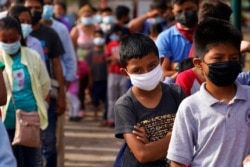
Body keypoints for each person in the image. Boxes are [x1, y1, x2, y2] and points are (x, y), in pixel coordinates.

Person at [167, 18, 250, 167]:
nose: (227, 63)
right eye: (218, 58)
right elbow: (178, 161)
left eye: (234, 58)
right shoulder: (190, 107)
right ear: (199, 64)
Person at [114, 33, 186, 166]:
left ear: (161, 62)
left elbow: (193, 138)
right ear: (126, 73)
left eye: (152, 66)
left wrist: (152, 143)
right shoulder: (125, 105)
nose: (146, 73)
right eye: (138, 70)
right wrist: (176, 136)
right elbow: (143, 154)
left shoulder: (177, 93)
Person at [0, 16, 50, 167]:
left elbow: (44, 84)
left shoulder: (32, 56)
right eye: (4, 40)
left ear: (20, 36)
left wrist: (39, 106)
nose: (9, 44)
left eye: (13, 39)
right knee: (8, 159)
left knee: (31, 161)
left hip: (30, 120)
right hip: (6, 121)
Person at [24, 0, 66, 166]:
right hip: (22, 99)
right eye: (29, 8)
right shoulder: (14, 35)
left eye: (37, 8)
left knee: (48, 143)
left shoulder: (50, 34)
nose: (33, 11)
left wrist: (62, 96)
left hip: (46, 97)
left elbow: (57, 66)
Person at [156, 0, 198, 83]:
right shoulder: (165, 37)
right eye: (179, 11)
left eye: (189, 9)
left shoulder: (206, 33)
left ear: (197, 7)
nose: (184, 14)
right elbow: (164, 72)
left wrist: (176, 66)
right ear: (174, 12)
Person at [70, 4, 96, 117]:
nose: (87, 17)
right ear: (80, 17)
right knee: (81, 85)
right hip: (80, 62)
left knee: (95, 84)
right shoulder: (76, 30)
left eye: (89, 15)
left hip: (95, 61)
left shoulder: (96, 28)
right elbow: (71, 47)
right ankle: (81, 107)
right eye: (85, 16)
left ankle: (95, 106)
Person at [105, 24, 128, 127]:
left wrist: (118, 59)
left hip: (123, 73)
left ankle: (121, 119)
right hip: (112, 72)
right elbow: (107, 58)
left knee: (122, 97)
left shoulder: (125, 44)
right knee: (111, 98)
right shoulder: (110, 44)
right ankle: (111, 119)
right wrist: (112, 59)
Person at [85, 30, 107, 121]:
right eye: (96, 36)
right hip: (95, 79)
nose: (99, 39)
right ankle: (95, 115)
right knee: (95, 98)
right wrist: (90, 79)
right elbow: (89, 68)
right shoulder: (90, 53)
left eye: (100, 36)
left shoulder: (106, 52)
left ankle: (104, 114)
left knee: (105, 98)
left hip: (105, 79)